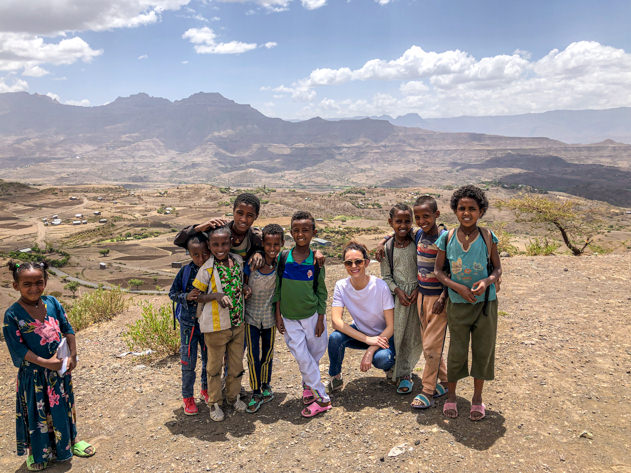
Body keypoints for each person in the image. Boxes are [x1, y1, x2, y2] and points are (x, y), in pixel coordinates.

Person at [3, 261, 95, 472]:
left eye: (39, 282)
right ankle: (37, 453)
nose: (34, 288)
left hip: (59, 373)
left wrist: (73, 355)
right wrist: (47, 364)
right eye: (27, 284)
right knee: (37, 415)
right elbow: (18, 350)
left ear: (45, 282)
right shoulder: (12, 315)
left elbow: (67, 328)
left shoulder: (52, 302)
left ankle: (70, 444)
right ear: (16, 286)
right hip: (34, 376)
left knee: (63, 408)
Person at [434, 185, 502, 421]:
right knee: (457, 351)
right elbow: (439, 271)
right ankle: (452, 397)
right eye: (461, 208)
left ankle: (477, 399)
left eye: (472, 208)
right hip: (458, 303)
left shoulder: (488, 236)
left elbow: (498, 268)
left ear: (481, 211)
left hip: (485, 305)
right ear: (455, 210)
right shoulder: (447, 237)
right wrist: (458, 288)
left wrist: (486, 281)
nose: (466, 213)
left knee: (483, 351)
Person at [273, 211, 330, 418]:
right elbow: (278, 289)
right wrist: (278, 315)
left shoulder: (316, 261)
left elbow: (321, 292)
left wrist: (321, 319)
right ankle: (322, 398)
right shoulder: (283, 258)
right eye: (296, 230)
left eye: (305, 230)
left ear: (313, 232)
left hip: (312, 317)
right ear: (290, 233)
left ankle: (308, 387)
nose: (300, 234)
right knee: (302, 357)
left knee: (314, 355)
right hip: (289, 317)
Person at [192, 227, 251, 422]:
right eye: (215, 244)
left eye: (224, 243)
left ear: (231, 242)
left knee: (235, 365)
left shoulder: (238, 262)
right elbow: (197, 296)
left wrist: (244, 288)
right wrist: (216, 296)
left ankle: (232, 397)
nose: (220, 248)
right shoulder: (207, 269)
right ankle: (214, 403)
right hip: (216, 327)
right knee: (214, 367)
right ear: (209, 245)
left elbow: (236, 284)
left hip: (237, 323)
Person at [326, 241, 395, 393]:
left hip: (384, 337)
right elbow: (336, 322)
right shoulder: (341, 286)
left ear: (367, 263)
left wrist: (370, 350)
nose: (353, 266)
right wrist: (367, 339)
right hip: (363, 333)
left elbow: (391, 326)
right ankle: (335, 377)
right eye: (348, 263)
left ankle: (393, 367)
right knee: (335, 338)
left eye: (358, 261)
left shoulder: (380, 286)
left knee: (382, 359)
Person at [409, 195, 449, 409]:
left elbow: (450, 270)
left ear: (436, 215)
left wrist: (443, 297)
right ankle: (445, 381)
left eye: (426, 216)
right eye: (418, 217)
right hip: (421, 296)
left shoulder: (445, 238)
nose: (422, 220)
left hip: (437, 299)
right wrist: (382, 241)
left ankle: (427, 390)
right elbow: (397, 235)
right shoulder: (418, 235)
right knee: (429, 344)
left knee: (431, 346)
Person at [380, 203, 423, 395]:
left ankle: (407, 373)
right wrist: (397, 291)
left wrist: (419, 288)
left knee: (413, 336)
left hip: (418, 296)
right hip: (398, 299)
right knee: (398, 335)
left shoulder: (418, 240)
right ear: (391, 222)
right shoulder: (387, 248)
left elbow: (425, 267)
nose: (403, 225)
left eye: (407, 221)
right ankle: (396, 370)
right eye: (398, 221)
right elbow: (386, 277)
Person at [168, 233, 211, 415]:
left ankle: (206, 390)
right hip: (188, 325)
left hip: (208, 324)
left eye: (204, 254)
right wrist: (186, 296)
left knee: (209, 361)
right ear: (190, 254)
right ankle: (188, 398)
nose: (200, 258)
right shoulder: (185, 271)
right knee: (188, 363)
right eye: (196, 255)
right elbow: (172, 293)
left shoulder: (213, 270)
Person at [243, 224, 284, 413]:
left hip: (269, 319)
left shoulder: (280, 266)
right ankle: (256, 391)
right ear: (263, 245)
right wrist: (244, 288)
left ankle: (266, 385)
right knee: (253, 356)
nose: (272, 248)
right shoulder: (253, 264)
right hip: (250, 317)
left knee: (267, 354)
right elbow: (242, 281)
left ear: (282, 244)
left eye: (276, 244)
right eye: (268, 244)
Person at [173, 192, 264, 268]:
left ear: (256, 216)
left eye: (249, 215)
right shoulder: (217, 229)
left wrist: (259, 252)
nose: (243, 219)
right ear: (233, 211)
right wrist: (199, 228)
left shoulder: (255, 237)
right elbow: (179, 240)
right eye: (240, 213)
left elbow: (269, 250)